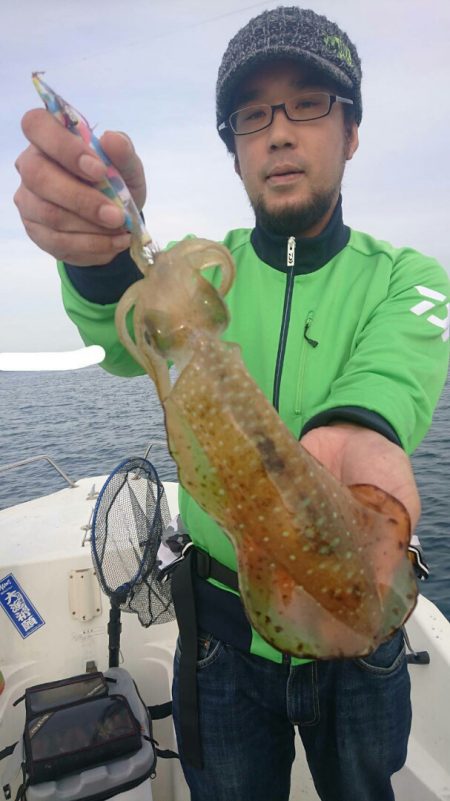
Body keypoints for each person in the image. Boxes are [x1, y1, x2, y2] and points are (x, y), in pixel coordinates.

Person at [14, 6, 449, 801]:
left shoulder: (409, 279)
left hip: (363, 631)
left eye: (309, 102)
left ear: (351, 132)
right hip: (218, 631)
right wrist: (102, 261)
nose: (279, 132)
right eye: (253, 114)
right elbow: (126, 335)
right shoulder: (197, 275)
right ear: (235, 146)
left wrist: (355, 433)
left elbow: (393, 375)